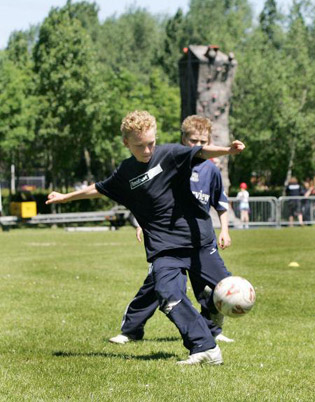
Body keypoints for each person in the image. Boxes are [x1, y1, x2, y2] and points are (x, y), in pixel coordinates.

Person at [46, 110, 245, 365]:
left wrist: (227, 150)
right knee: (167, 295)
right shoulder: (126, 172)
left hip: (197, 242)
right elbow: (98, 188)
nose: (148, 150)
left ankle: (214, 316)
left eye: (151, 143)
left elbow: (201, 152)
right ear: (126, 143)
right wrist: (65, 197)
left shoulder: (170, 154)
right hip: (164, 248)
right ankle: (205, 347)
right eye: (140, 146)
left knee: (224, 289)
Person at [108, 115, 235, 347]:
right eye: (192, 140)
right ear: (183, 139)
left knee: (209, 289)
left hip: (198, 238)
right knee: (157, 286)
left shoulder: (211, 171)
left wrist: (224, 230)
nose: (197, 145)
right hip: (167, 240)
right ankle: (131, 329)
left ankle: (212, 332)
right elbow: (145, 196)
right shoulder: (170, 162)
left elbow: (220, 203)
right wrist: (140, 224)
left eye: (202, 141)